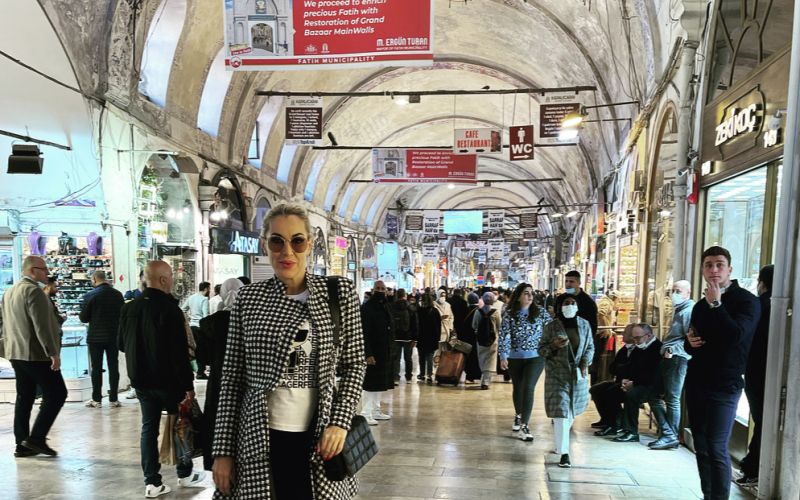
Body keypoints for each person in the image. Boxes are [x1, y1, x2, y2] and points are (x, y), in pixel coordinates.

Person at [212, 203, 366, 500]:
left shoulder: (338, 294)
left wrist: (340, 422)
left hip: (321, 435)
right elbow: (231, 379)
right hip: (258, 434)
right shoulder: (249, 298)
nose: (287, 251)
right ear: (264, 244)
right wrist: (223, 451)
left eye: (297, 241)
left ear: (309, 243)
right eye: (276, 241)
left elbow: (354, 364)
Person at [118, 261, 205, 497]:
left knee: (148, 428)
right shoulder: (170, 309)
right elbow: (179, 353)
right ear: (163, 280)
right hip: (169, 380)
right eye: (171, 277)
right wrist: (188, 385)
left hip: (141, 379)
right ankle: (184, 473)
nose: (173, 281)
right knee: (180, 424)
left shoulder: (129, 308)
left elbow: (121, 344)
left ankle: (152, 482)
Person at [685, 246, 760, 500]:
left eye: (719, 264)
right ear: (703, 270)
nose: (714, 270)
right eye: (708, 265)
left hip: (725, 384)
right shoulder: (700, 306)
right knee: (701, 445)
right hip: (697, 382)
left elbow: (735, 336)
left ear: (730, 269)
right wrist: (689, 342)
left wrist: (717, 304)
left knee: (716, 446)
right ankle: (709, 495)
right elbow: (694, 342)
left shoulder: (747, 301)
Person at [0, 256, 67, 458]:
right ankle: (36, 438)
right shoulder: (34, 291)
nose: (47, 273)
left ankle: (22, 444)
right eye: (43, 269)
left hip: (16, 352)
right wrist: (53, 352)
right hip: (35, 353)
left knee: (25, 397)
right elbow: (41, 326)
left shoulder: (10, 292)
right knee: (57, 393)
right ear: (32, 270)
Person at [538, 295, 594, 468]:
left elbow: (590, 346)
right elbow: (541, 350)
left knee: (570, 411)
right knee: (561, 411)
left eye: (573, 303)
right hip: (557, 374)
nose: (570, 306)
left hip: (577, 374)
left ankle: (559, 443)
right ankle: (564, 453)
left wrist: (585, 361)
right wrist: (553, 346)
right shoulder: (551, 327)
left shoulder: (584, 325)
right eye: (566, 303)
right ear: (559, 307)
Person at [197, 277, 244, 471]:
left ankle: (218, 463)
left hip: (218, 381)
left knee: (217, 422)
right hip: (245, 383)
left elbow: (203, 357)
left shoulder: (209, 324)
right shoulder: (250, 321)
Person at [498, 283, 549, 442]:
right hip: (515, 357)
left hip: (536, 357)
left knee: (528, 387)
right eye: (526, 293)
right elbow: (504, 335)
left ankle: (524, 425)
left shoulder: (540, 312)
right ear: (519, 296)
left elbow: (551, 329)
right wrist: (503, 355)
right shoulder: (510, 314)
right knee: (518, 387)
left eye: (531, 293)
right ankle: (518, 415)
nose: (530, 296)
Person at [647, 280, 694, 450]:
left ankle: (670, 435)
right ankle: (668, 433)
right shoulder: (680, 310)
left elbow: (691, 337)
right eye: (672, 291)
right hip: (671, 355)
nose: (674, 294)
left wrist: (672, 349)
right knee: (654, 395)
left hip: (677, 357)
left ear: (688, 293)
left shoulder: (688, 311)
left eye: (678, 291)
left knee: (672, 398)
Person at [738, 264, 773, 485]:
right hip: (769, 371)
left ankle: (753, 468)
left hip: (755, 370)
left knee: (760, 419)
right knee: (765, 421)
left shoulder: (758, 305)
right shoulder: (777, 306)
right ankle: (755, 467)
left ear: (762, 283)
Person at [80, 270, 124, 408]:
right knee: (113, 367)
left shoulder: (90, 295)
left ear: (94, 279)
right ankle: (114, 399)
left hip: (95, 338)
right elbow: (122, 315)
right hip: (113, 336)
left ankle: (97, 399)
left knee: (96, 368)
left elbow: (83, 318)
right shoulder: (117, 295)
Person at [612, 323, 661, 443]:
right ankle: (616, 425)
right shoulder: (639, 347)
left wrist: (633, 383)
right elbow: (631, 367)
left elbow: (653, 374)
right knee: (611, 391)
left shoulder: (657, 348)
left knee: (632, 395)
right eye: (634, 338)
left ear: (648, 335)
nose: (636, 341)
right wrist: (626, 380)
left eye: (638, 338)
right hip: (639, 382)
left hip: (653, 385)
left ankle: (631, 431)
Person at [590, 324, 637, 433]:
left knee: (611, 392)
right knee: (596, 389)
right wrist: (622, 369)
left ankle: (616, 423)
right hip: (620, 381)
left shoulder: (638, 350)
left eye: (625, 332)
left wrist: (622, 369)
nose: (623, 334)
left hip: (632, 383)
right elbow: (612, 368)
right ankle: (606, 419)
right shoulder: (624, 349)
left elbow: (634, 369)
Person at [360, 280, 395, 424]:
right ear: (373, 290)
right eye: (378, 288)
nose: (380, 291)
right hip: (373, 352)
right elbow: (364, 333)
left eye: (383, 288)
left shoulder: (386, 306)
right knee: (371, 384)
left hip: (384, 351)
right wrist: (368, 353)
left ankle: (376, 410)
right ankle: (365, 413)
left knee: (380, 383)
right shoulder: (367, 308)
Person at [555, 271, 600, 383]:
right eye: (566, 281)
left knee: (578, 378)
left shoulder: (588, 302)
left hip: (580, 343)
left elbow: (593, 325)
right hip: (561, 342)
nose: (568, 284)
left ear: (579, 283)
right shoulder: (560, 299)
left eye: (571, 281)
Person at [472, 291, 501, 390]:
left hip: (480, 339)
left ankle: (483, 377)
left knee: (482, 358)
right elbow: (499, 326)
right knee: (490, 360)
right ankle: (486, 381)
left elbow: (474, 325)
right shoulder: (496, 312)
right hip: (493, 340)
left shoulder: (478, 312)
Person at [181, 282, 210, 379]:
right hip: (200, 328)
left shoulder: (191, 297)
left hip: (192, 327)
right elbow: (205, 316)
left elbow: (182, 309)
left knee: (194, 349)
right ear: (206, 289)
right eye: (209, 289)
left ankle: (195, 370)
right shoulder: (204, 299)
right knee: (201, 350)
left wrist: (188, 317)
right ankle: (200, 372)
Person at [390, 289, 417, 383]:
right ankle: (408, 377)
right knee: (408, 358)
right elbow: (415, 324)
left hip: (396, 337)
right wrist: (414, 338)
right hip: (408, 337)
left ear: (397, 295)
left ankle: (395, 377)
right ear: (405, 295)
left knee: (396, 358)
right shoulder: (411, 308)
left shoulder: (392, 307)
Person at [416, 292, 442, 384]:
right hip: (432, 337)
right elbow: (439, 325)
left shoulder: (419, 311)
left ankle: (422, 374)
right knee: (430, 356)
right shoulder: (435, 311)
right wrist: (438, 337)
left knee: (421, 356)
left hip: (421, 336)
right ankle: (429, 375)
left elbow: (416, 324)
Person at [462, 292, 482, 384]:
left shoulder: (464, 310)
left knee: (468, 357)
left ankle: (469, 376)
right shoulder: (480, 311)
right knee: (477, 356)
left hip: (466, 338)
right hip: (477, 338)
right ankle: (477, 375)